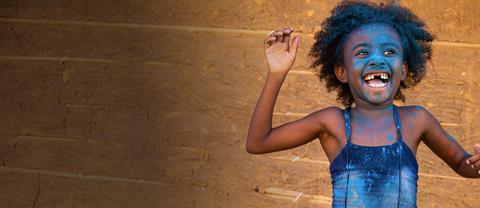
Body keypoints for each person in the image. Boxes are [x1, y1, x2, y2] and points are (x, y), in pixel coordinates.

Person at [245, 1, 480, 207]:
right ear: (342, 72)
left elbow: (462, 163)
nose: (377, 59)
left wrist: (477, 165)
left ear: (404, 70)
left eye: (389, 51)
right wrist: (276, 74)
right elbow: (258, 142)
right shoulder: (332, 123)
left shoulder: (416, 120)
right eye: (362, 53)